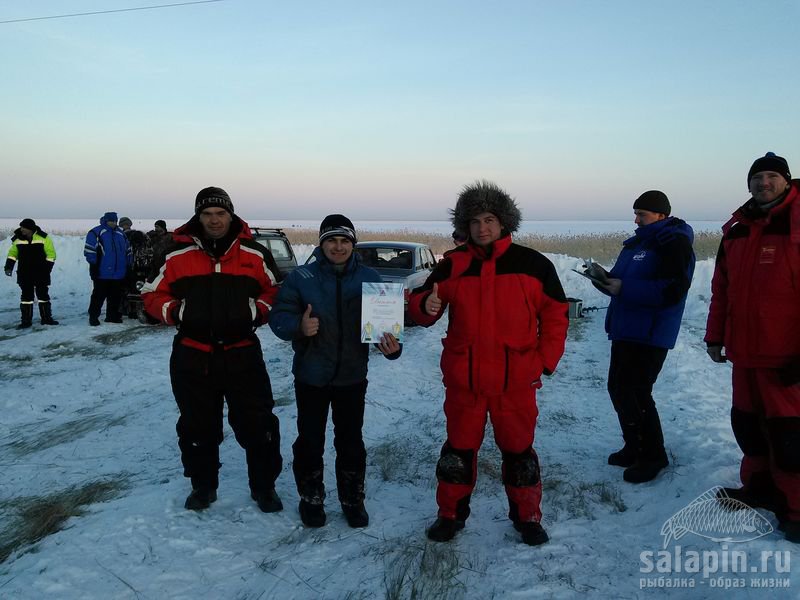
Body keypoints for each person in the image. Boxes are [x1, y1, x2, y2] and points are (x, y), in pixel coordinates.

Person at [408, 181, 569, 546]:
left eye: (490, 219)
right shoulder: (453, 265)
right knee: (458, 452)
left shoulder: (533, 264)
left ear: (504, 222)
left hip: (516, 383)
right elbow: (421, 306)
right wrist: (425, 306)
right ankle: (450, 515)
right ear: (466, 226)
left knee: (519, 453)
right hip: (465, 382)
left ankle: (528, 517)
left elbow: (557, 315)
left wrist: (544, 361)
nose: (482, 227)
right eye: (475, 220)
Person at [141, 187, 284, 513]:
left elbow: (276, 291)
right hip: (193, 354)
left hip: (242, 352)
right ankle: (203, 486)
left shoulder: (254, 253)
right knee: (197, 426)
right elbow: (151, 294)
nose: (215, 220)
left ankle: (264, 487)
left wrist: (256, 312)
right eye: (207, 214)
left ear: (231, 215)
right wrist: (176, 312)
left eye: (221, 214)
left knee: (258, 424)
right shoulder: (175, 255)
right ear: (198, 217)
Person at [269, 214, 402, 528]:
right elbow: (278, 317)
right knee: (310, 441)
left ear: (353, 244)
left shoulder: (369, 277)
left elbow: (385, 328)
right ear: (322, 243)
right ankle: (311, 500)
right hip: (311, 376)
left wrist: (393, 347)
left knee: (351, 442)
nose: (338, 247)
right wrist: (298, 326)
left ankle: (353, 501)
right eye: (332, 240)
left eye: (345, 241)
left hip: (352, 377)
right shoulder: (302, 278)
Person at [705, 152, 800, 542]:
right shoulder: (737, 230)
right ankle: (759, 487)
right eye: (757, 177)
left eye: (772, 177)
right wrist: (715, 335)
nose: (764, 183)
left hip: (787, 357)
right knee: (747, 426)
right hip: (745, 354)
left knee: (789, 435)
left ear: (787, 182)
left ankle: (796, 506)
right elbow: (721, 290)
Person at [585, 190, 695, 484]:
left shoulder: (673, 243)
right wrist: (603, 279)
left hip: (650, 332)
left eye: (641, 214)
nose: (636, 219)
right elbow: (622, 280)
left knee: (637, 392)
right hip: (626, 327)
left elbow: (673, 289)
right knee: (617, 388)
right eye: (635, 213)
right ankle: (634, 446)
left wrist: (624, 288)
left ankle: (653, 455)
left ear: (661, 215)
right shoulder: (638, 243)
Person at [4, 218, 59, 328]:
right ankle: (26, 321)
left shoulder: (44, 238)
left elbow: (51, 255)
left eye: (24, 227)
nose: (22, 229)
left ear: (30, 229)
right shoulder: (17, 239)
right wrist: (9, 267)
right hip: (24, 273)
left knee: (43, 296)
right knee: (26, 298)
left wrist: (46, 270)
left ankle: (46, 319)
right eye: (21, 227)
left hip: (41, 273)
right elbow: (12, 254)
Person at [84, 212, 131, 325]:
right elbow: (89, 251)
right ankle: (93, 316)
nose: (113, 223)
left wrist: (128, 265)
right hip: (102, 272)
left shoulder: (121, 234)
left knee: (115, 296)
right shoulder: (96, 232)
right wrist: (94, 266)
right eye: (111, 221)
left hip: (119, 272)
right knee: (98, 296)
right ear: (105, 220)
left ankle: (112, 316)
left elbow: (128, 250)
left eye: (115, 221)